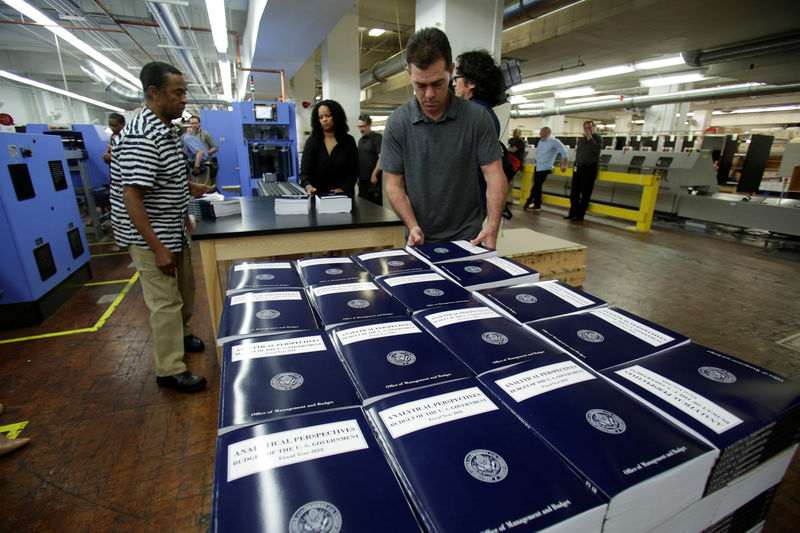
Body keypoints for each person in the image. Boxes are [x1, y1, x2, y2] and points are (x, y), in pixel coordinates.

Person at [110, 61, 213, 394]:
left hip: (173, 229)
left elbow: (160, 179)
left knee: (184, 289)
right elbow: (133, 197)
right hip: (152, 237)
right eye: (178, 93)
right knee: (165, 302)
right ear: (154, 93)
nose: (184, 100)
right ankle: (169, 370)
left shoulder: (165, 129)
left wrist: (188, 188)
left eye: (185, 92)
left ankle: (181, 336)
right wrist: (157, 249)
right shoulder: (141, 134)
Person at [382, 27, 506, 248]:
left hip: (469, 238)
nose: (429, 94)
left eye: (437, 84)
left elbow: (494, 176)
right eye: (420, 85)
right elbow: (394, 184)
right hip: (418, 238)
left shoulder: (478, 118)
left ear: (451, 70)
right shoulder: (397, 123)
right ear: (409, 74)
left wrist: (493, 226)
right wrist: (412, 225)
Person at [451, 49, 511, 219]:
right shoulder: (486, 114)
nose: (454, 83)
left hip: (466, 206)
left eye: (458, 77)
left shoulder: (472, 115)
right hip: (472, 204)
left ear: (471, 83)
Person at [299, 100, 359, 197]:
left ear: (336, 116)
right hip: (318, 198)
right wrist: (308, 187)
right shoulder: (312, 142)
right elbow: (305, 173)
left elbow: (353, 171)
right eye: (321, 117)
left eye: (328, 116)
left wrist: (344, 189)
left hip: (343, 198)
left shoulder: (349, 141)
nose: (324, 120)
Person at [523, 126, 568, 211]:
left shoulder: (554, 142)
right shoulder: (540, 142)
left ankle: (528, 202)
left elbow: (564, 152)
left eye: (541, 131)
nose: (539, 133)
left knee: (536, 185)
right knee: (537, 186)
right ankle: (537, 204)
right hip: (538, 166)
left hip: (546, 167)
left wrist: (564, 165)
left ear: (547, 132)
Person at [565, 120, 603, 221]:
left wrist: (590, 138)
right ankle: (572, 213)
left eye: (590, 127)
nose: (588, 130)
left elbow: (597, 150)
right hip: (578, 167)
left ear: (594, 128)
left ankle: (580, 215)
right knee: (574, 192)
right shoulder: (582, 140)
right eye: (586, 128)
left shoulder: (598, 139)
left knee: (585, 193)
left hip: (589, 168)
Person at [356, 114, 382, 205]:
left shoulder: (377, 138)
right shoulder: (360, 141)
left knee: (375, 208)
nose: (361, 129)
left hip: (373, 181)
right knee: (362, 207)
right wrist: (357, 176)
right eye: (359, 127)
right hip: (362, 182)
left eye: (363, 126)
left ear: (370, 125)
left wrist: (374, 174)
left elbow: (381, 158)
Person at [188, 115, 219, 182]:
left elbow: (215, 147)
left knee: (205, 186)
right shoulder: (189, 136)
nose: (194, 125)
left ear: (199, 123)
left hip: (205, 164)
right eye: (192, 123)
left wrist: (205, 153)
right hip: (194, 164)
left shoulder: (205, 134)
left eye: (195, 123)